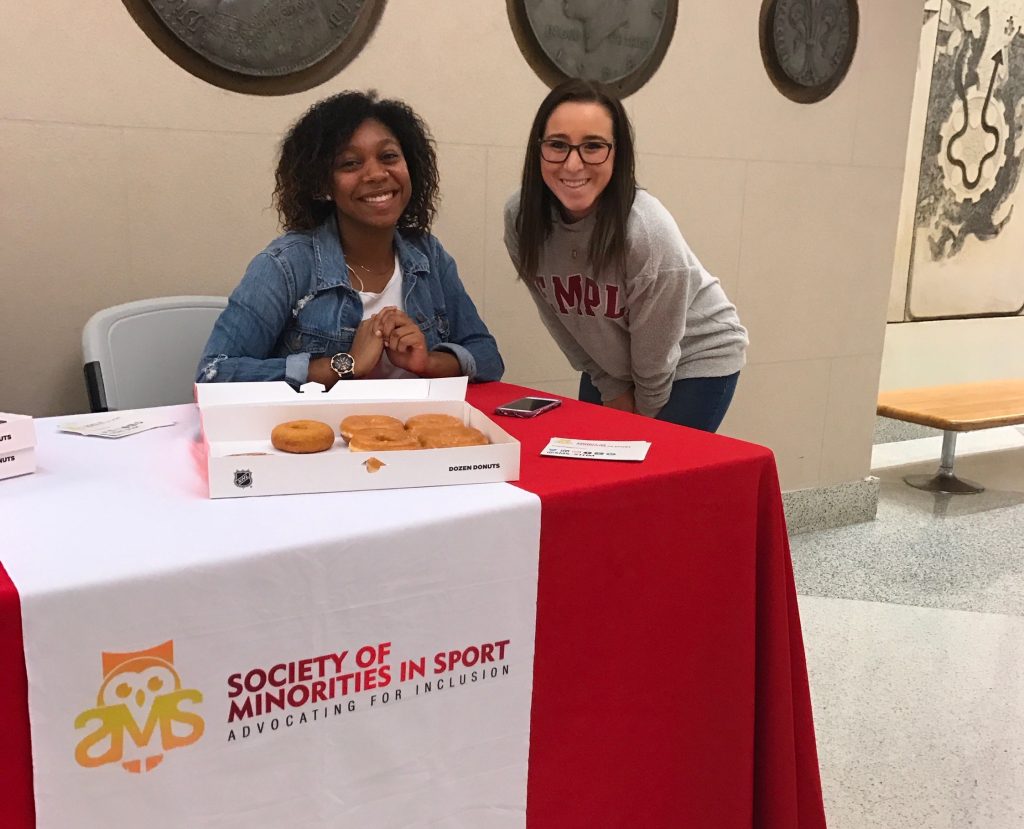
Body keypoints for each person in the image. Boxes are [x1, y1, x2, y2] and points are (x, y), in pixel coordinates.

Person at [198, 90, 503, 388]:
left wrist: (428, 363)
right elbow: (213, 373)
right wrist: (344, 364)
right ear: (322, 184)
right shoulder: (286, 264)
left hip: (418, 423)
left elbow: (487, 356)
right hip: (320, 424)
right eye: (350, 163)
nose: (376, 174)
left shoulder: (428, 254)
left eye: (388, 156)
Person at [504, 79, 747, 432]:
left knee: (652, 461)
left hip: (692, 357)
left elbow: (657, 351)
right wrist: (611, 385)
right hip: (613, 362)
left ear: (617, 154)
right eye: (558, 144)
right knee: (588, 458)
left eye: (593, 146)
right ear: (538, 149)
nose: (573, 164)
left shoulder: (645, 229)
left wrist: (641, 414)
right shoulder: (521, 218)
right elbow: (557, 317)